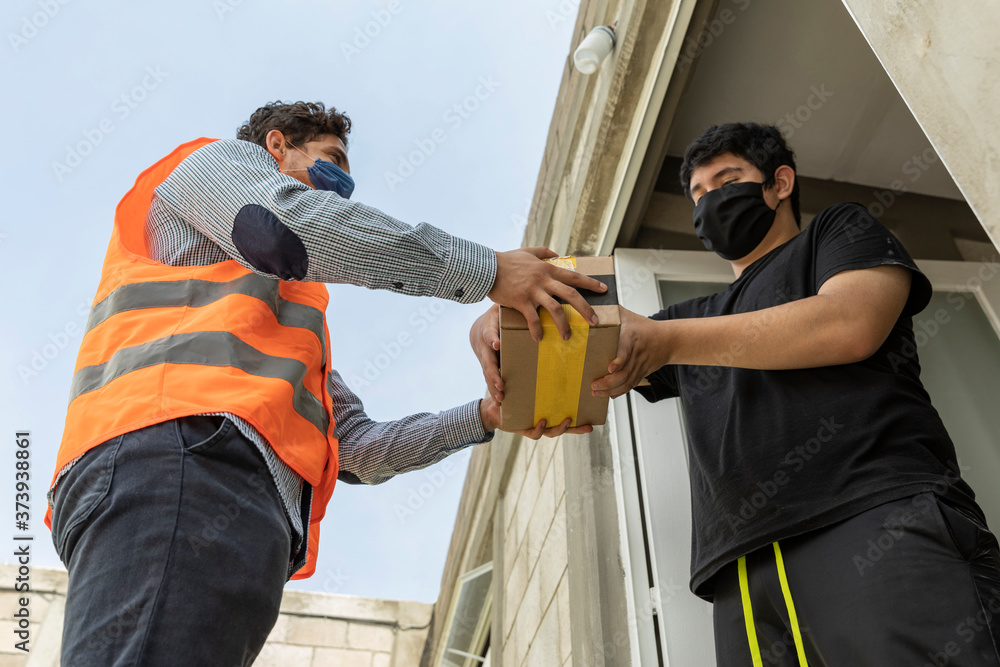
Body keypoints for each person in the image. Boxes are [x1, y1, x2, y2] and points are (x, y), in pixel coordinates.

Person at [46, 100, 600, 666]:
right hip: (176, 457)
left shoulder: (287, 326)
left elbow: (358, 451)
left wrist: (486, 415)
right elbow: (283, 231)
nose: (342, 187)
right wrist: (487, 270)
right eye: (331, 161)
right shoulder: (211, 165)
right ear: (277, 146)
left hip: (227, 497)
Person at [472, 123, 1000, 665]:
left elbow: (851, 322)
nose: (710, 201)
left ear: (779, 183)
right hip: (742, 574)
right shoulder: (690, 318)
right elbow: (579, 360)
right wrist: (504, 320)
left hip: (873, 520)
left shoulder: (835, 234)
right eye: (697, 194)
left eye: (727, 180)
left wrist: (667, 340)